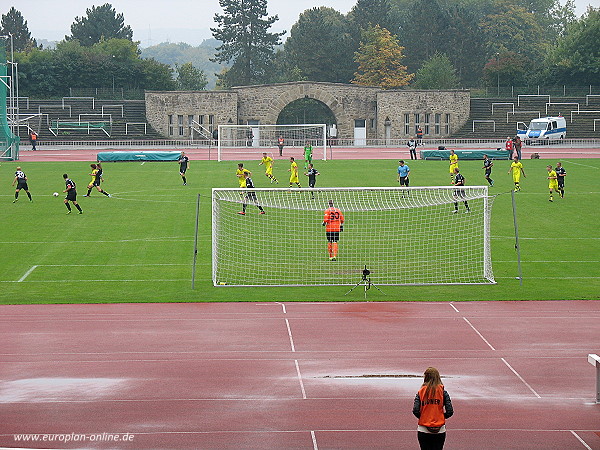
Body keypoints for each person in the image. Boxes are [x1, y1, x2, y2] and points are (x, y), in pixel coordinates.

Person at [412, 367, 454, 450]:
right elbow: (450, 411)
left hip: (423, 429)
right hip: (440, 429)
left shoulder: (421, 392)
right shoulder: (443, 392)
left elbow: (415, 410)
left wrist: (424, 417)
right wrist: (441, 416)